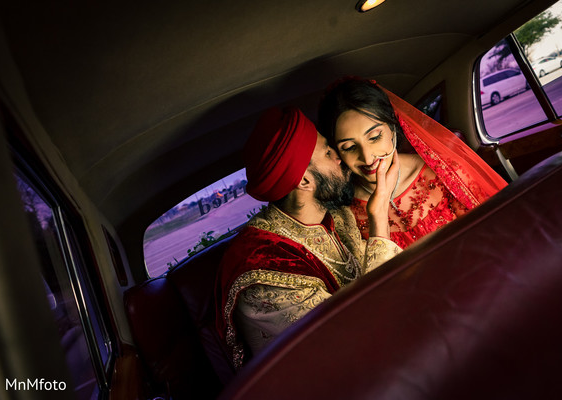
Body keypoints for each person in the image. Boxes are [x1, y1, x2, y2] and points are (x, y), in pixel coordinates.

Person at [215, 107, 402, 369]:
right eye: (328, 152)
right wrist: (378, 211)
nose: (339, 158)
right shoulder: (262, 270)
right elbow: (362, 336)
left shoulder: (335, 216)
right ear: (304, 181)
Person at [317, 77, 508, 249]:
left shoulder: (442, 171)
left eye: (374, 137)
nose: (367, 158)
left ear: (392, 128)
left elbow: (495, 232)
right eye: (349, 147)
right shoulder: (343, 214)